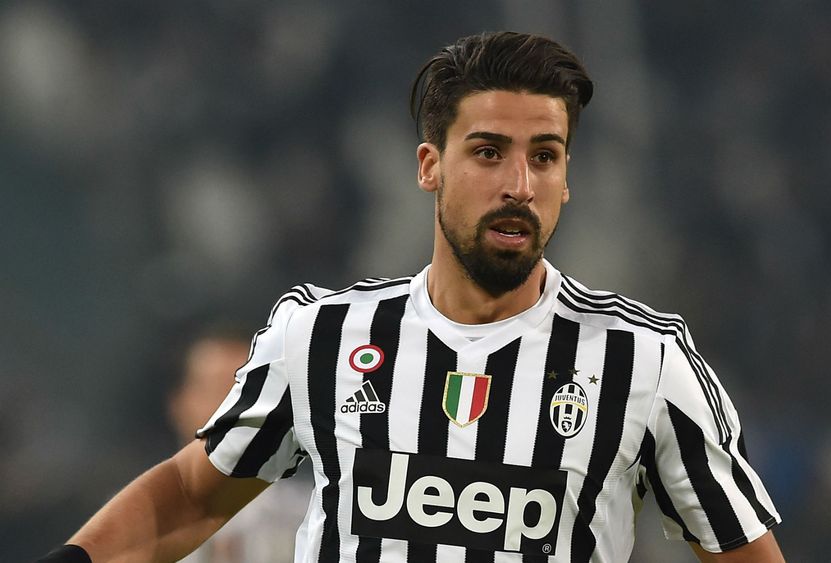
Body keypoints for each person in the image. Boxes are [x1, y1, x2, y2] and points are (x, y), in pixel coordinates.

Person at [39, 31, 785, 562]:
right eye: (488, 152)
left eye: (545, 157)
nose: (519, 185)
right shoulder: (321, 336)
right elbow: (191, 495)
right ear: (430, 166)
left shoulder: (644, 361)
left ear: (566, 178)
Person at [167, 325, 310, 563]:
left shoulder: (312, 519)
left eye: (249, 394)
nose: (233, 410)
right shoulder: (134, 525)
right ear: (181, 402)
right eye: (217, 390)